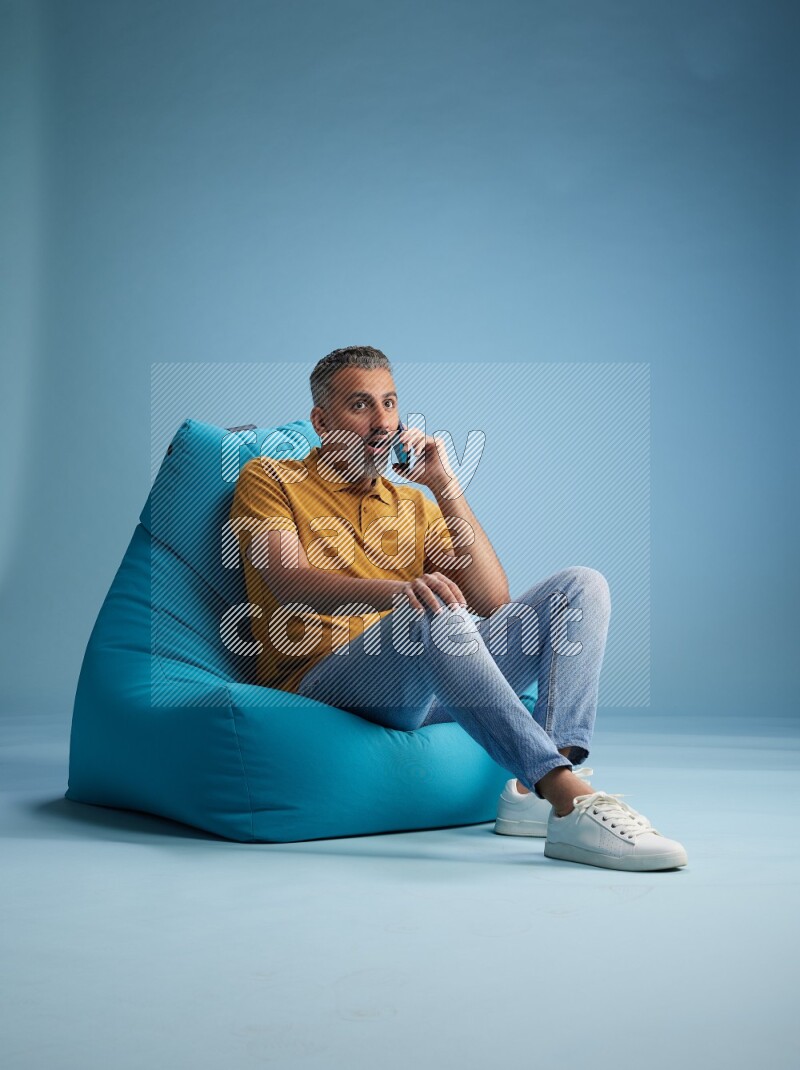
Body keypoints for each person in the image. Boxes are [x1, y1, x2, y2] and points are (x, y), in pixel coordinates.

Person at [229, 345, 688, 872]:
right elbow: (285, 579)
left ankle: (531, 790)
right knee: (429, 613)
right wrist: (402, 593)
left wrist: (445, 487)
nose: (381, 422)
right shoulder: (271, 478)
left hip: (423, 679)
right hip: (324, 680)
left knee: (580, 586)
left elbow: (493, 601)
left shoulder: (412, 503)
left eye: (390, 404)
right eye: (360, 406)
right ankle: (569, 798)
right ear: (321, 419)